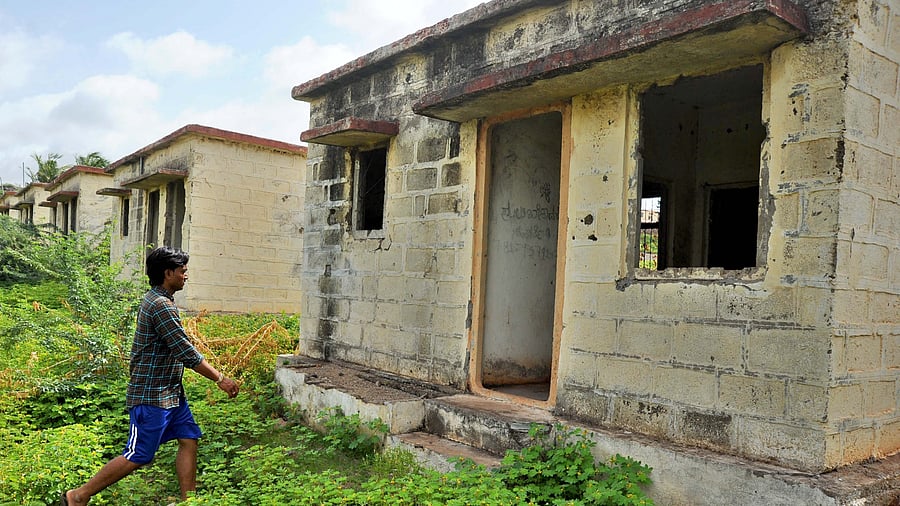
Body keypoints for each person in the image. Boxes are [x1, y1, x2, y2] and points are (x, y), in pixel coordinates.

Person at [63, 246, 239, 505]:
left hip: (171, 393)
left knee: (189, 439)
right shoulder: (160, 306)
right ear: (168, 273)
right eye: (182, 271)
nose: (185, 276)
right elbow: (185, 352)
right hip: (152, 395)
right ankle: (79, 496)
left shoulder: (162, 300)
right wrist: (220, 378)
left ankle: (188, 502)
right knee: (139, 454)